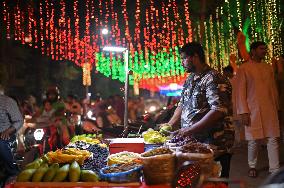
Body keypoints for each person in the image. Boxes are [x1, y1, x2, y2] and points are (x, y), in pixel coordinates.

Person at [165, 42, 234, 178]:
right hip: (195, 144)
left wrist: (188, 130)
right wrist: (170, 124)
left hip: (215, 144)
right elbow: (182, 104)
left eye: (184, 58)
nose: (182, 62)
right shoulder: (190, 79)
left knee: (214, 182)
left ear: (195, 57)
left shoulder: (214, 78)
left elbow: (218, 110)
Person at [235, 41, 280, 177]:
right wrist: (243, 111)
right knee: (253, 140)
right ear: (253, 51)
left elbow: (273, 89)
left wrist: (277, 107)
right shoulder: (244, 68)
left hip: (269, 108)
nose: (264, 51)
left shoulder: (268, 68)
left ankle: (274, 169)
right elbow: (240, 92)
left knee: (273, 138)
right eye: (261, 49)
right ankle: (252, 166)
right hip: (252, 109)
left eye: (265, 49)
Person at [0, 84, 24, 184]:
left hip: (6, 136)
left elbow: (19, 120)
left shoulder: (8, 102)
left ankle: (13, 171)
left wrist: (8, 131)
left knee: (1, 143)